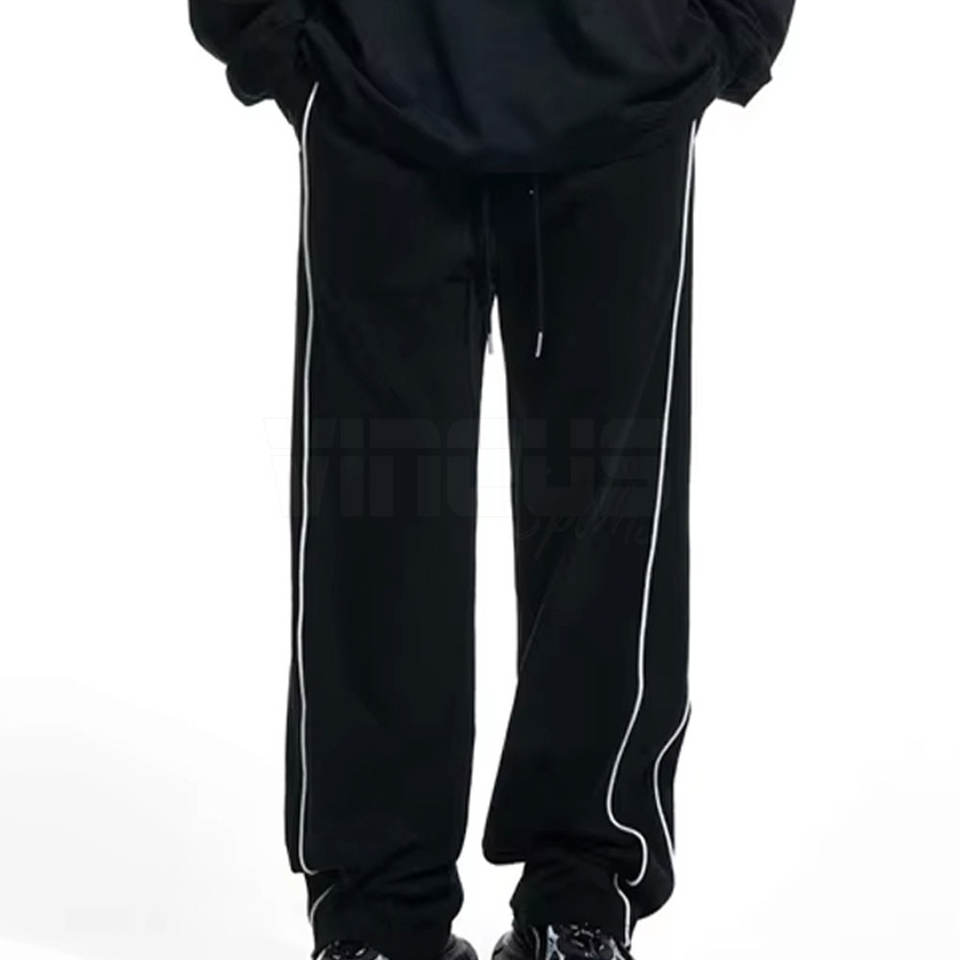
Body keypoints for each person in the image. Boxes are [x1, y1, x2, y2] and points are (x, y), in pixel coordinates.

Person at [188, 3, 794, 960]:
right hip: (374, 81)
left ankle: (579, 904)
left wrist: (728, 28)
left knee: (606, 529)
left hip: (624, 83)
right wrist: (267, 31)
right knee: (377, 527)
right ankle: (378, 917)